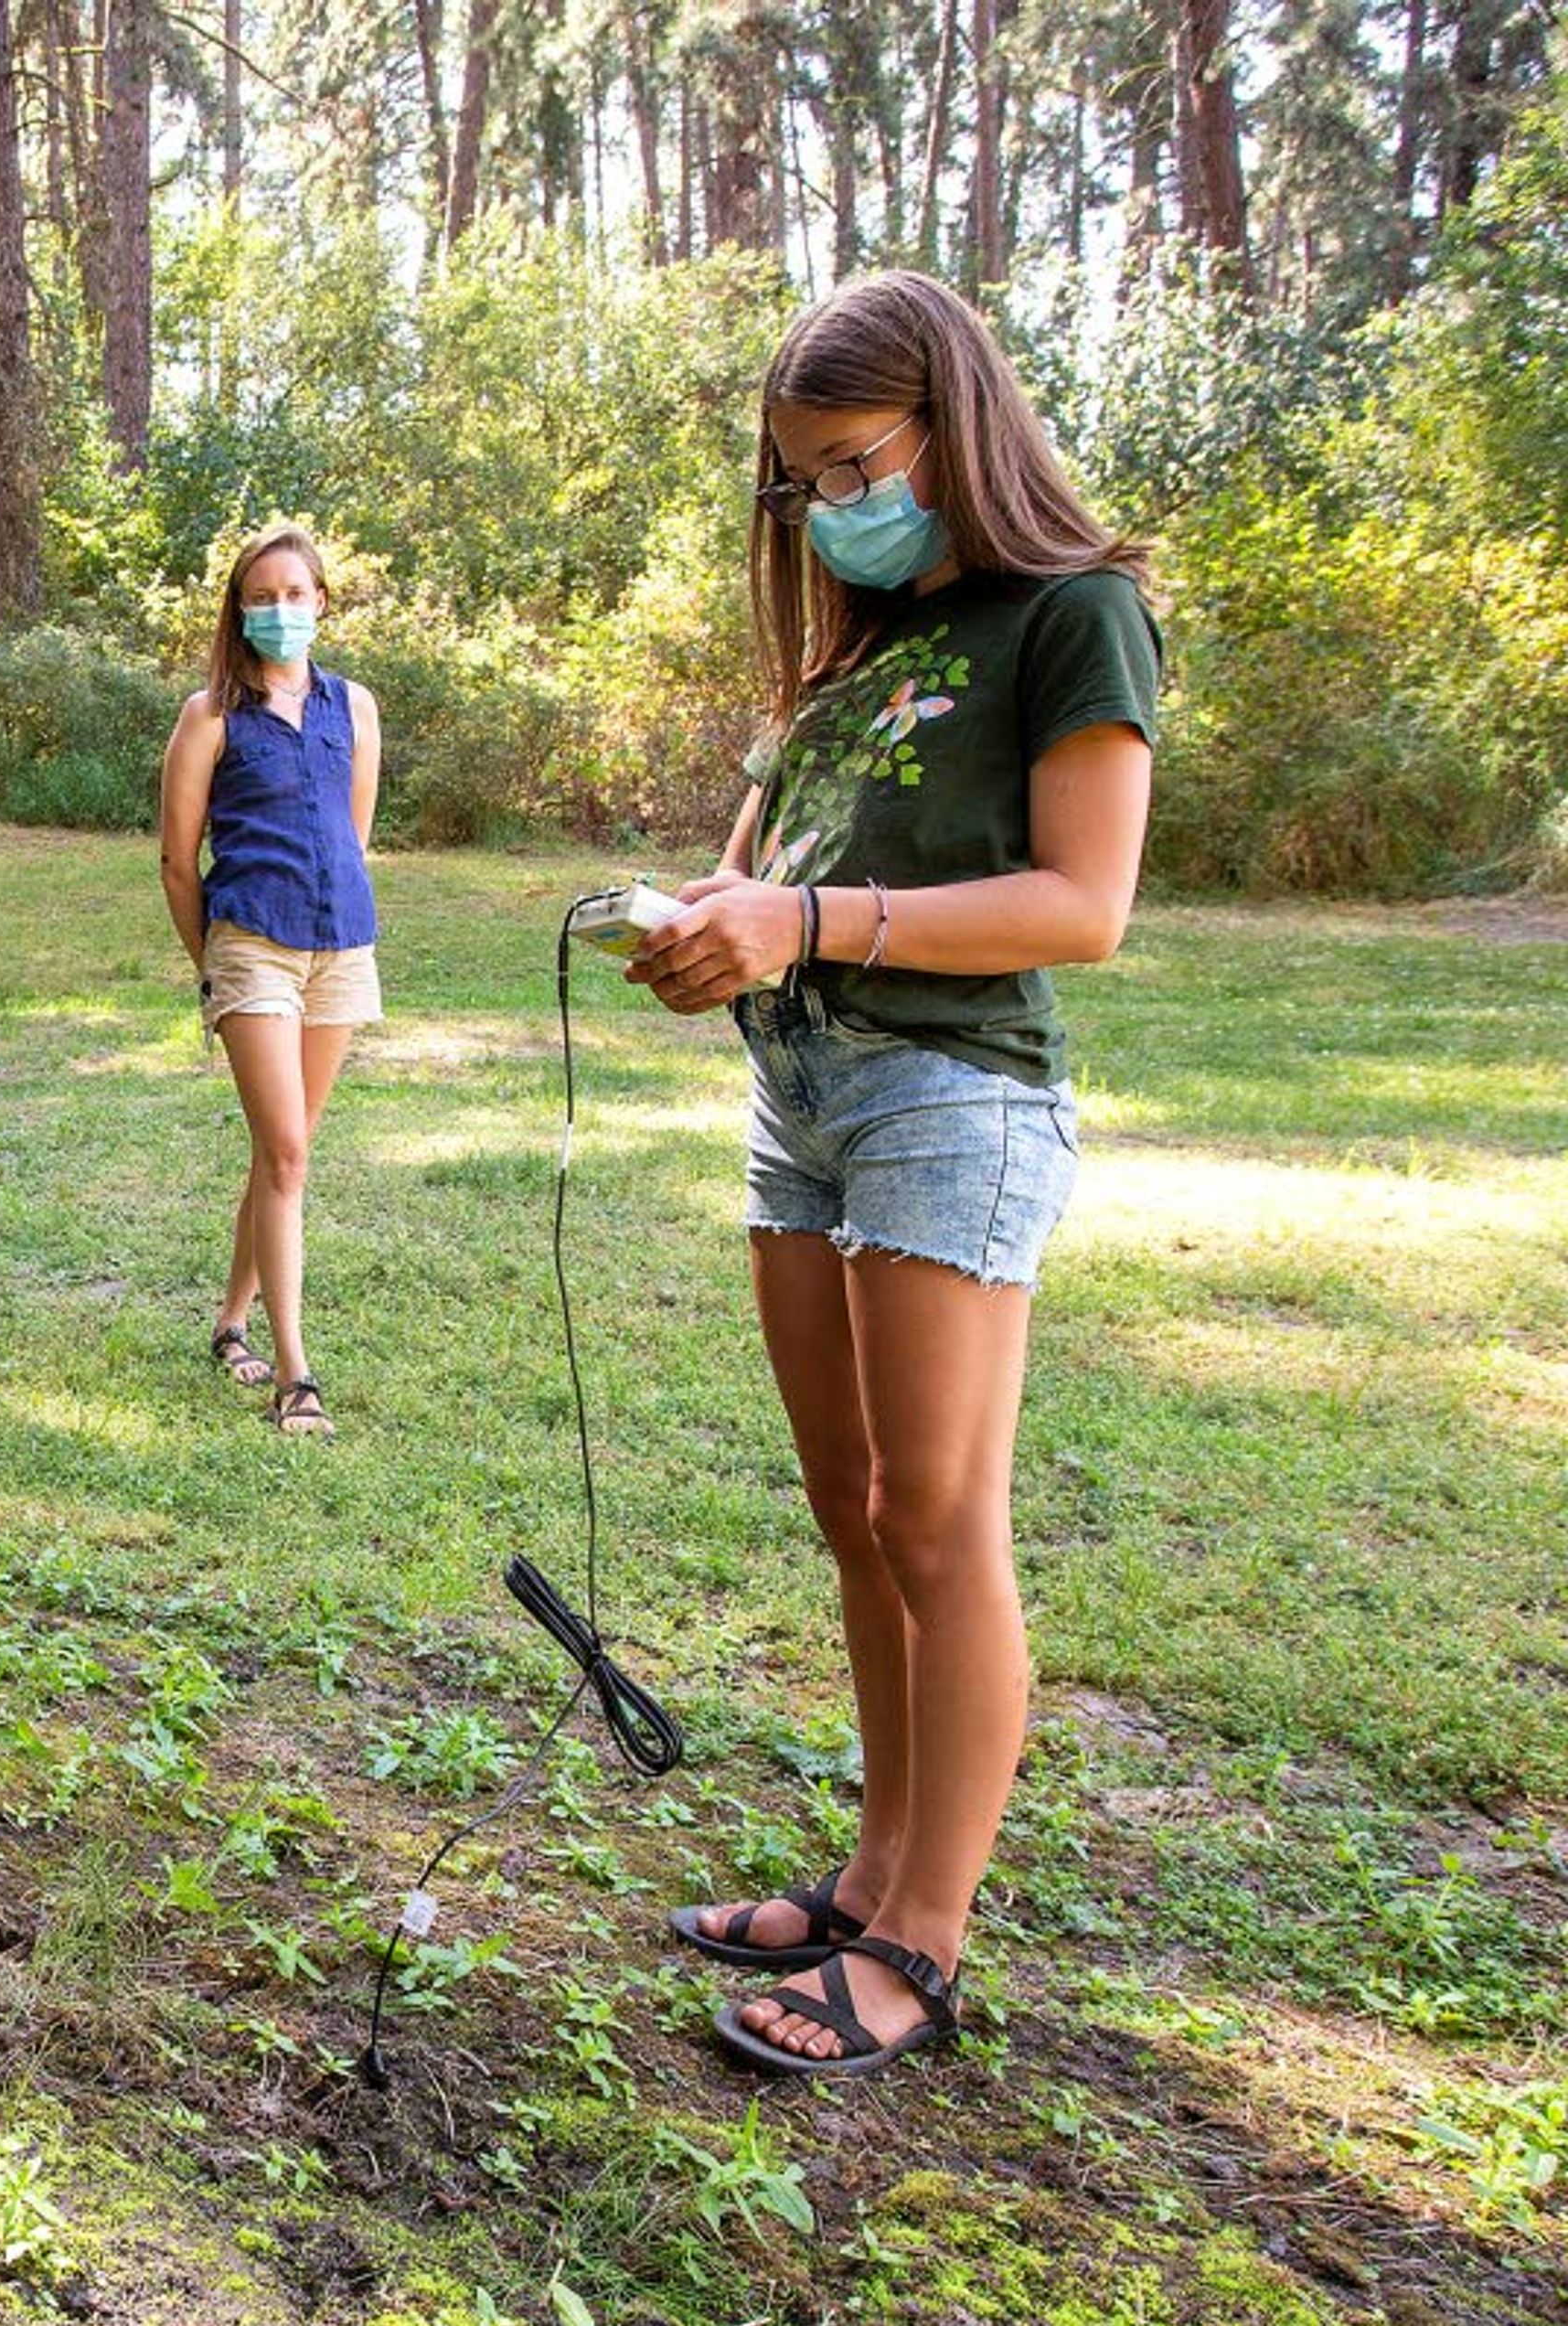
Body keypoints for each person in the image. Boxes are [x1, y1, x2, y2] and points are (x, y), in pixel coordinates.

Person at [630, 270, 1159, 2079]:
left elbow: (1082, 906)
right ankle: (869, 1879)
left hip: (954, 1103)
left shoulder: (1072, 616)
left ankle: (925, 1942)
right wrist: (713, 927)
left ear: (952, 423)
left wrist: (805, 917)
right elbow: (764, 867)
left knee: (940, 1520)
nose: (830, 505)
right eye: (800, 483)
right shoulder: (851, 648)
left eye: (852, 463)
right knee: (852, 1505)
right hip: (805, 1101)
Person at [155, 523, 384, 1436]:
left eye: (296, 594)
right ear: (238, 608)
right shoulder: (208, 713)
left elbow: (354, 835)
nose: (280, 610)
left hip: (339, 943)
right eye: (263, 595)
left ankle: (231, 1320)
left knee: (284, 1148)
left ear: (321, 602)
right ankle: (296, 1376)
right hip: (251, 941)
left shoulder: (355, 706)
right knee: (286, 1150)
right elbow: (178, 861)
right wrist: (213, 960)